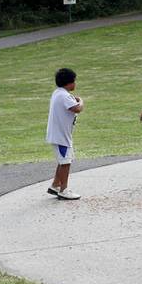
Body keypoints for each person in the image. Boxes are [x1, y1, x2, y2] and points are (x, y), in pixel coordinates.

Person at [46, 67, 84, 201]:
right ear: (69, 83)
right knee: (66, 162)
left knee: (63, 161)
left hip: (60, 134)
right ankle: (64, 190)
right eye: (74, 81)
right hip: (61, 136)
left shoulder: (58, 93)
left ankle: (56, 185)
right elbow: (77, 108)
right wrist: (81, 101)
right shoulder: (64, 96)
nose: (75, 84)